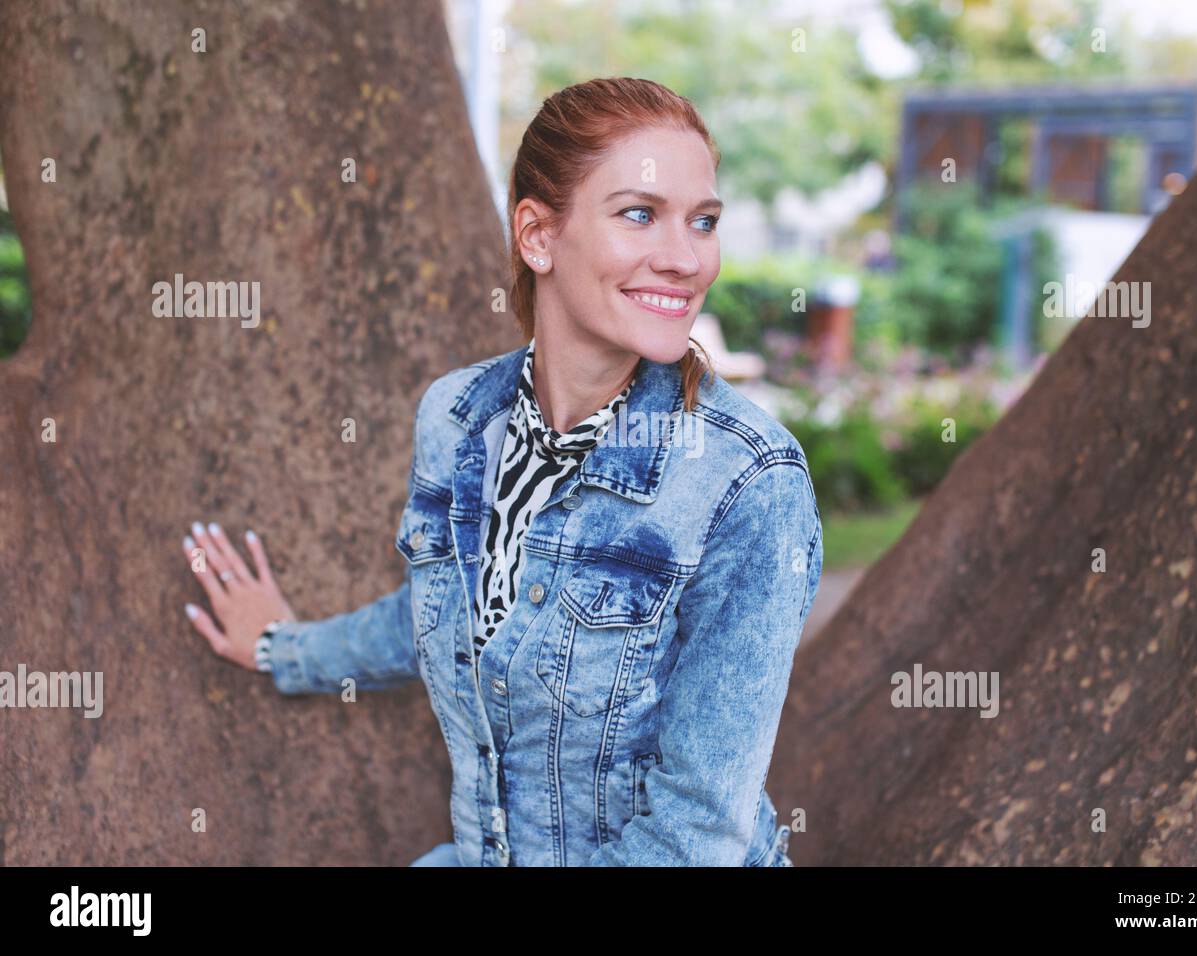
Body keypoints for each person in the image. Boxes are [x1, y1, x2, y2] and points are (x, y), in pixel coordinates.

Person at [180, 77, 821, 867]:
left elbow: (696, 838)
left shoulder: (748, 482)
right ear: (537, 236)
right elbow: (445, 609)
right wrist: (285, 649)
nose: (685, 258)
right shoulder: (455, 418)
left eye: (704, 222)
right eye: (639, 214)